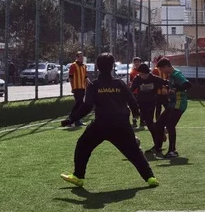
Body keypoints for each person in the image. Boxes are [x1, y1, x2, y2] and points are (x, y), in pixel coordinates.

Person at [59, 53, 159, 188]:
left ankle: (78, 177)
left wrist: (71, 119)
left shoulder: (94, 85)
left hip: (101, 125)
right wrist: (136, 114)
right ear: (112, 66)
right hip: (122, 124)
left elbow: (87, 107)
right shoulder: (119, 84)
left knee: (82, 146)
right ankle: (150, 178)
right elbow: (132, 101)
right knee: (134, 152)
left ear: (97, 67)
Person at [146, 58, 191, 159]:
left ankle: (172, 150)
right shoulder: (171, 76)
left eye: (161, 69)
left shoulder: (176, 74)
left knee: (170, 125)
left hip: (179, 104)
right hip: (172, 104)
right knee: (158, 124)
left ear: (166, 66)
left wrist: (176, 89)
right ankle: (158, 147)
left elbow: (187, 84)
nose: (161, 72)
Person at [130, 63, 169, 137]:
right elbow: (131, 90)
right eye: (140, 74)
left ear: (147, 73)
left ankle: (159, 136)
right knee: (147, 121)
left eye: (142, 74)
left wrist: (170, 86)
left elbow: (165, 82)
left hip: (151, 102)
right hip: (141, 102)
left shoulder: (154, 78)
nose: (141, 76)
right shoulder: (137, 79)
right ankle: (161, 132)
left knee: (149, 121)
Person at [68, 51, 91, 128]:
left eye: (82, 56)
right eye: (80, 56)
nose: (81, 58)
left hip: (82, 87)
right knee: (79, 103)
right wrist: (72, 87)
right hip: (76, 87)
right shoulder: (73, 66)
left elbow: (85, 77)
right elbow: (70, 77)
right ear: (77, 57)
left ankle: (76, 120)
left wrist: (90, 83)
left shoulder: (84, 66)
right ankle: (71, 118)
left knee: (80, 104)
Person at [129, 57, 143, 128]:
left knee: (142, 106)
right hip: (134, 92)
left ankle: (142, 121)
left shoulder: (143, 71)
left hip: (142, 92)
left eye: (138, 62)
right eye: (135, 62)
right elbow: (131, 82)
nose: (136, 63)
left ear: (140, 63)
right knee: (134, 107)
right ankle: (134, 121)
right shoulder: (132, 72)